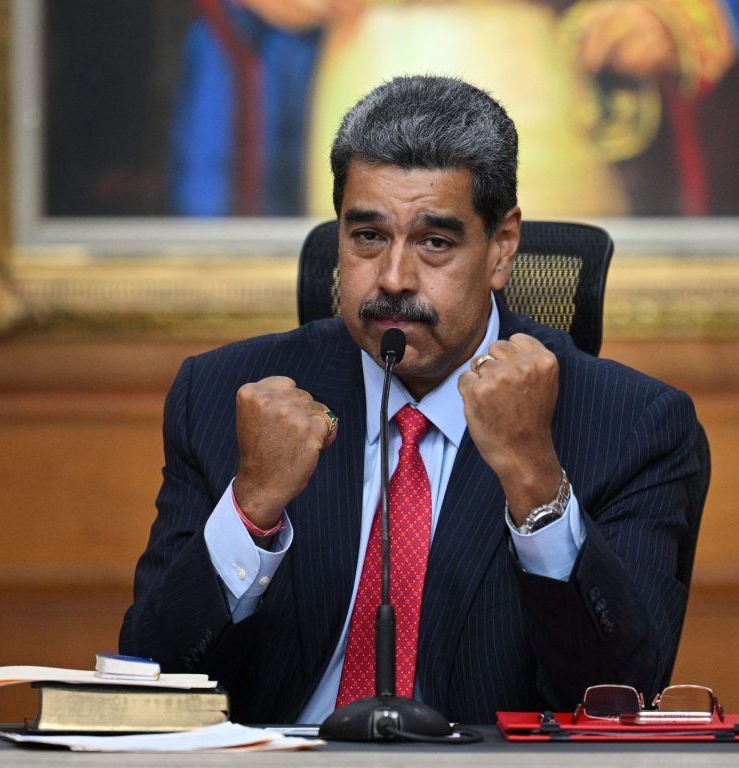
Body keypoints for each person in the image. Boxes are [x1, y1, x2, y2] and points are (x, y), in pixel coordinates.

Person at [121, 75, 702, 725]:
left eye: (435, 242)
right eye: (368, 237)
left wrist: (535, 480)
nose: (394, 279)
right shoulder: (222, 397)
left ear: (501, 248)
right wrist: (250, 508)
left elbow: (618, 700)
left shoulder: (632, 426)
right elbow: (151, 685)